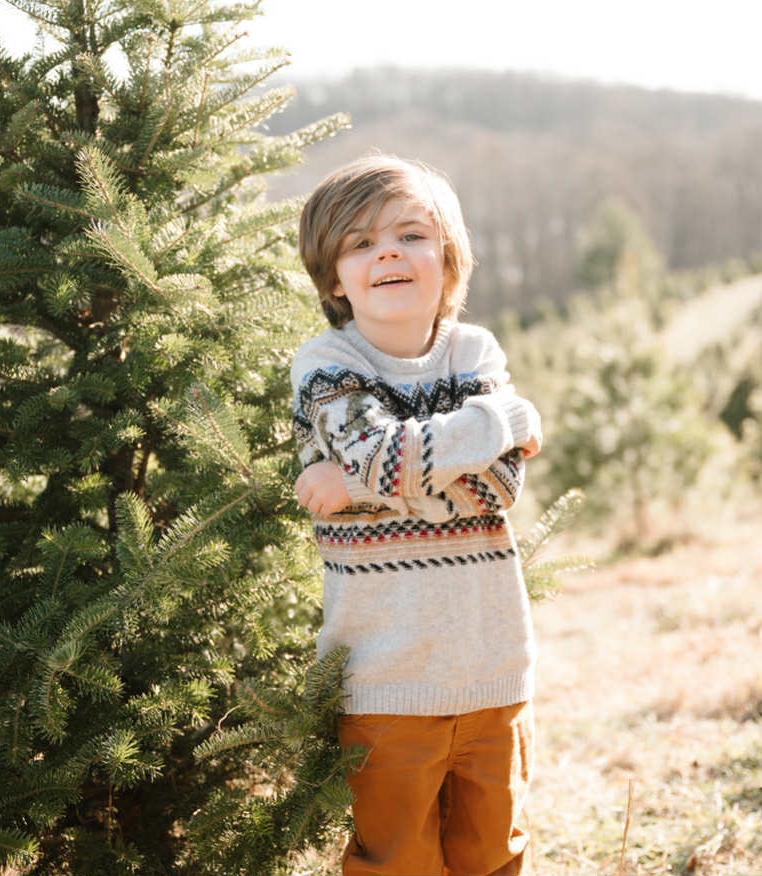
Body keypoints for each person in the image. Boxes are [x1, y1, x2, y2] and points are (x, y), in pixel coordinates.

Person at [290, 153, 543, 876]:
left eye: (411, 236)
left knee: (495, 854)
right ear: (335, 278)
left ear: (448, 261)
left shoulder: (474, 351)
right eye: (361, 243)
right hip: (386, 681)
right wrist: (497, 421)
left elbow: (497, 486)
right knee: (394, 862)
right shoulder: (326, 364)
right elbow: (375, 452)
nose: (389, 253)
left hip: (495, 668)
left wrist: (365, 481)